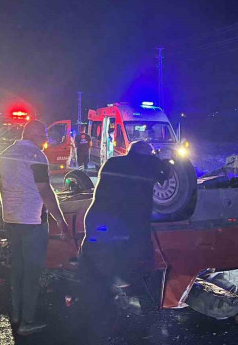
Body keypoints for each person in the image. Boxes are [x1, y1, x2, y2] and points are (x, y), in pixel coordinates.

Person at [79, 141, 168, 337]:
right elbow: (168, 175)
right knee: (143, 271)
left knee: (96, 275)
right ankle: (147, 325)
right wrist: (160, 160)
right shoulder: (149, 165)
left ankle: (93, 325)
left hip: (96, 222)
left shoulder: (112, 162)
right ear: (147, 155)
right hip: (128, 228)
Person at [0, 120, 71, 335]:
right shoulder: (36, 156)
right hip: (32, 221)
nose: (45, 138)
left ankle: (16, 314)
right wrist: (60, 220)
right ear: (33, 134)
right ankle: (27, 322)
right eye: (43, 134)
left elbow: (1, 187)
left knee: (17, 270)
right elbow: (45, 191)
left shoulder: (5, 154)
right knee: (32, 272)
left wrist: (7, 213)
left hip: (12, 220)